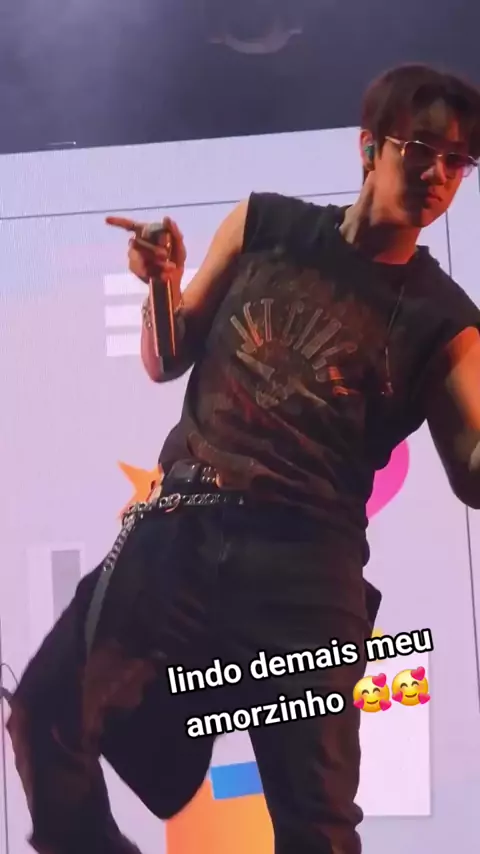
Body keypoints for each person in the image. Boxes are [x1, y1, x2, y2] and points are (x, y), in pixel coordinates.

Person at [7, 63, 480, 854]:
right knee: (46, 714)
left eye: (459, 162)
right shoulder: (266, 224)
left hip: (307, 572)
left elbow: (471, 471)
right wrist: (162, 285)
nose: (438, 174)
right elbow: (168, 357)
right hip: (179, 533)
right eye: (421, 148)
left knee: (316, 826)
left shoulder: (446, 318)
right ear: (369, 148)